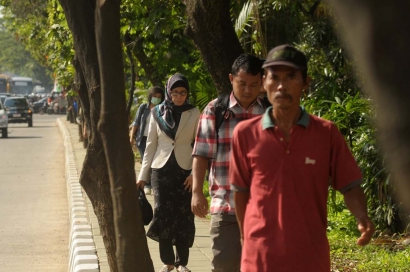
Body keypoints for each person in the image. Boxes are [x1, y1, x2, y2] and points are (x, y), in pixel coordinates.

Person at [230, 45, 375, 272]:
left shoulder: (326, 134)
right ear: (264, 83)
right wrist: (244, 235)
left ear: (305, 83)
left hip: (310, 258)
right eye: (274, 77)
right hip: (260, 257)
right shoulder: (244, 134)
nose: (281, 86)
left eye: (291, 77)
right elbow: (240, 191)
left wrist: (362, 216)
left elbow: (349, 184)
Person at [191, 54, 266, 272]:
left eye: (254, 84)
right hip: (226, 204)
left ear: (262, 82)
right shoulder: (216, 110)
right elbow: (201, 153)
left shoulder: (271, 111)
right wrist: (197, 191)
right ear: (231, 78)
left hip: (263, 207)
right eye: (242, 83)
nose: (248, 90)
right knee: (224, 266)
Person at [137, 73, 200, 272]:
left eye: (183, 92)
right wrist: (142, 176)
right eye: (175, 92)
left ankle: (182, 263)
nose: (179, 96)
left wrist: (195, 175)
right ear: (168, 91)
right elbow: (150, 146)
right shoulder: (156, 113)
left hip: (185, 171)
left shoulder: (194, 112)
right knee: (162, 213)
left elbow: (199, 145)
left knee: (184, 216)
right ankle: (168, 262)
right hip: (160, 170)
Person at [130, 86, 165, 195]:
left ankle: (150, 184)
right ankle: (147, 185)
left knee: (153, 161)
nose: (157, 98)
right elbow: (136, 123)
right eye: (155, 96)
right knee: (146, 161)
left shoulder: (163, 109)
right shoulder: (143, 108)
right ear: (150, 96)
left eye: (159, 97)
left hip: (156, 140)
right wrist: (131, 138)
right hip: (143, 139)